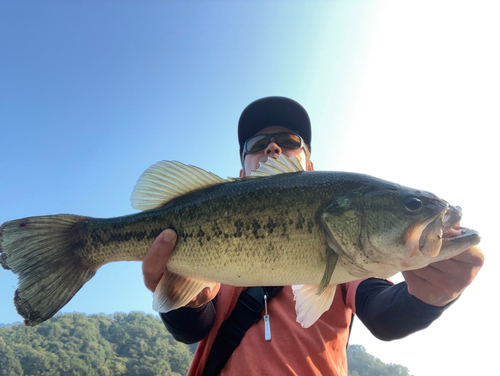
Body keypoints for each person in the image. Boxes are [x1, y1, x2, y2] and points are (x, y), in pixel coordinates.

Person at [142, 97, 484, 375]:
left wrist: (430, 298)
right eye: (258, 143)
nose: (274, 147)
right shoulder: (216, 265)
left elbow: (383, 315)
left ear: (308, 167)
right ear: (242, 171)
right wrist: (188, 298)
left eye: (290, 141)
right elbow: (192, 329)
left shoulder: (352, 264)